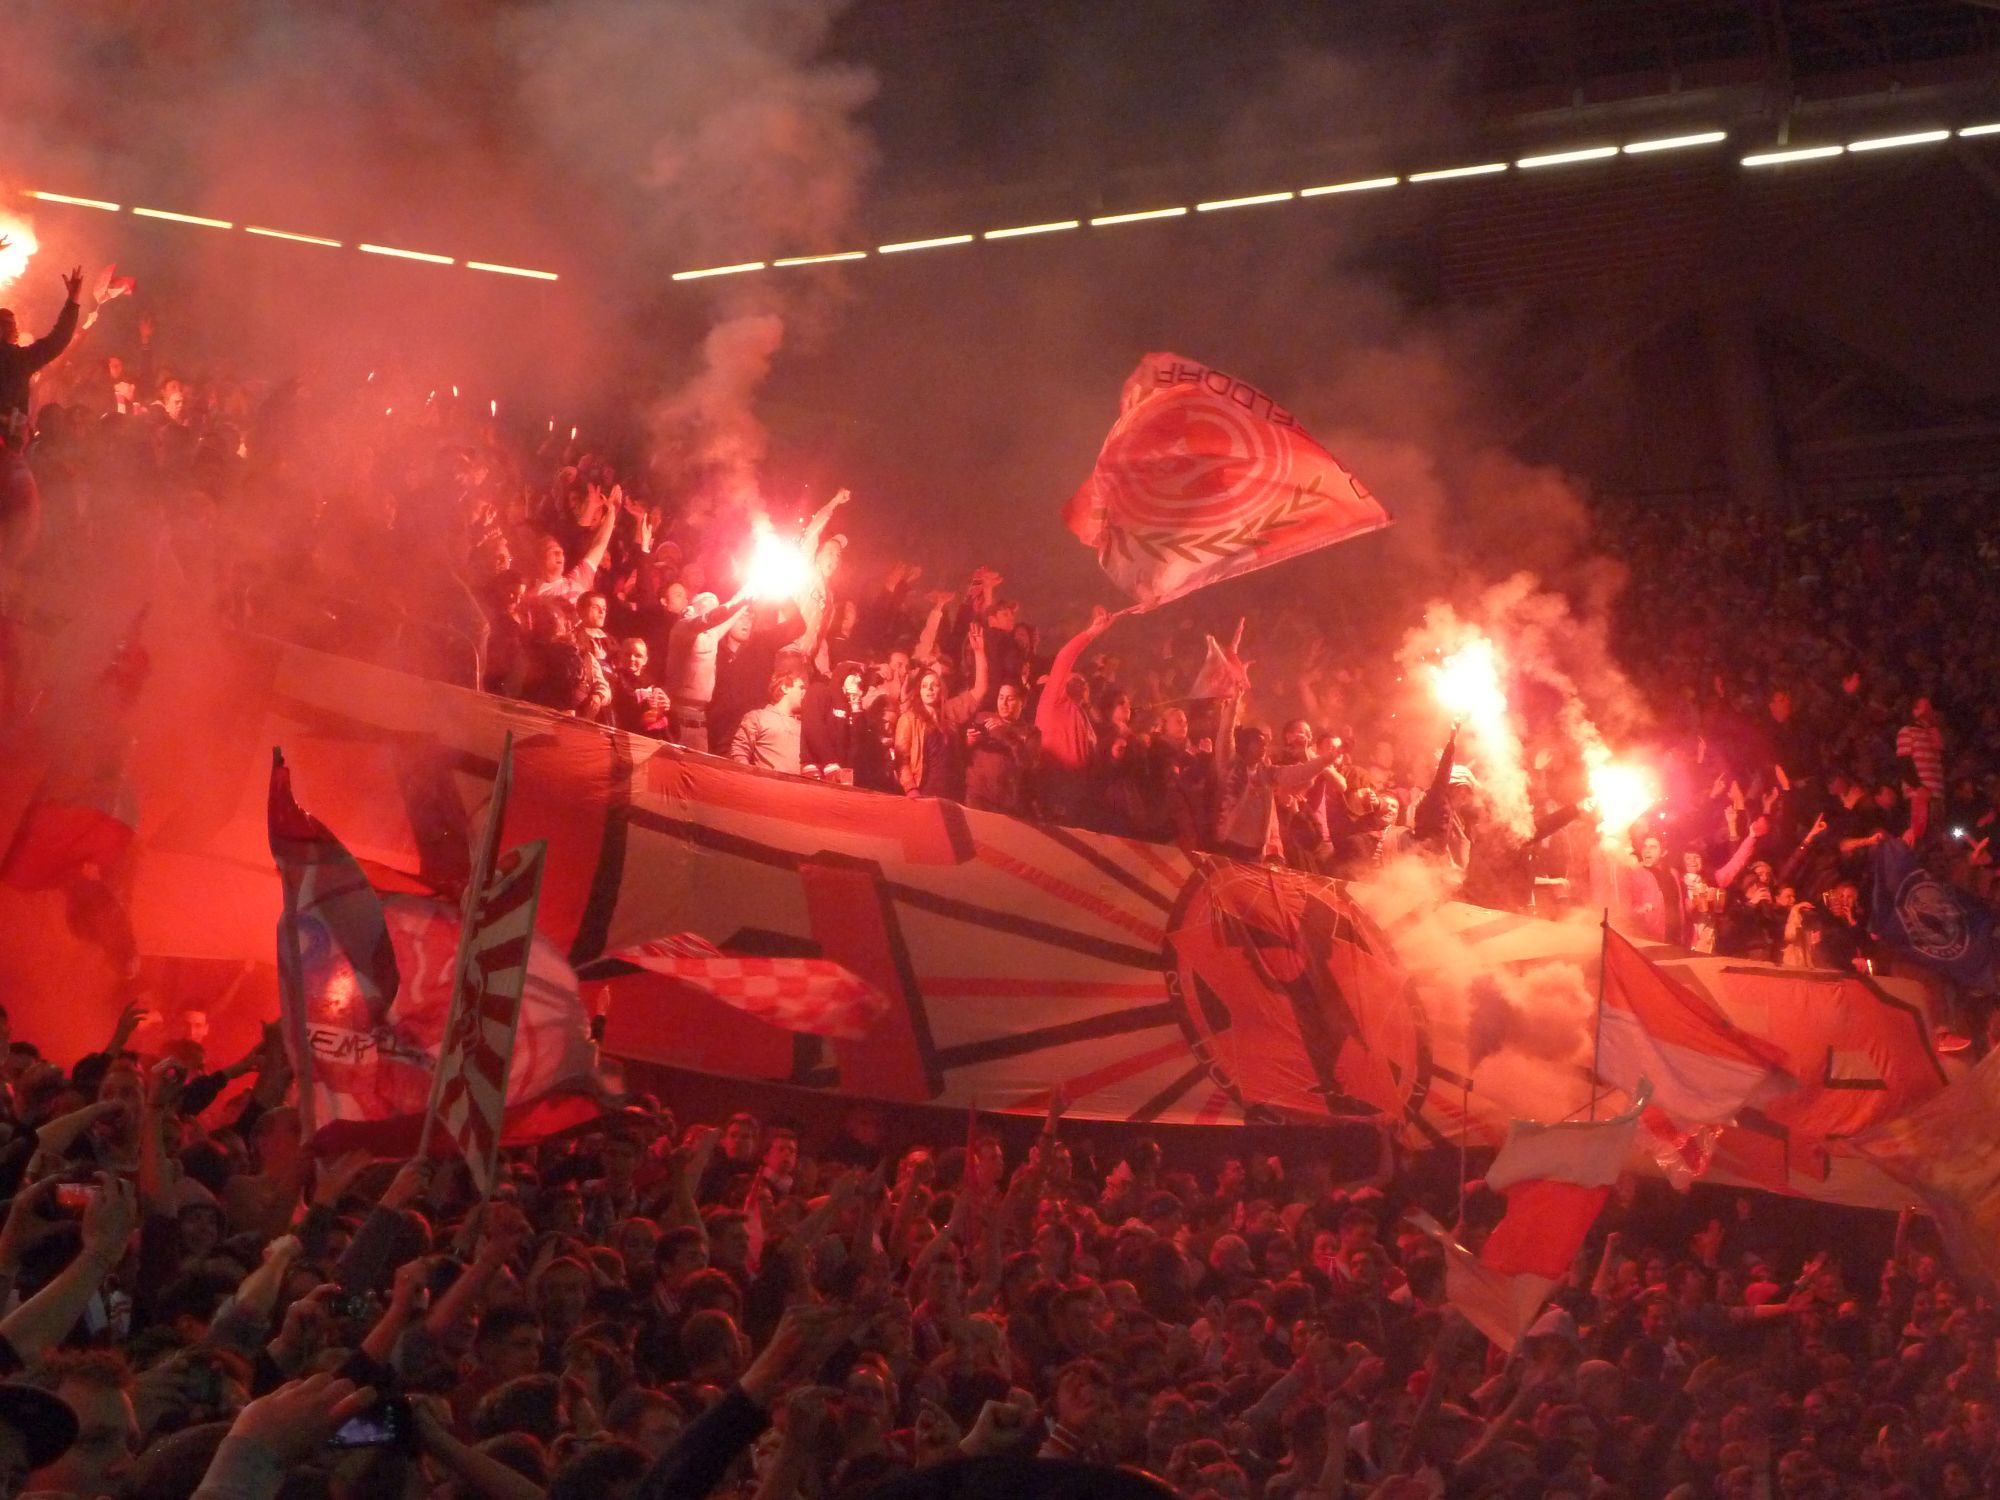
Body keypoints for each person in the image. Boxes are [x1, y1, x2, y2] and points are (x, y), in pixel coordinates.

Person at [896, 625, 988, 800]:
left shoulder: (950, 712)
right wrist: (911, 789)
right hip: (925, 790)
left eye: (934, 684)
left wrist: (979, 652)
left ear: (942, 689)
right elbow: (902, 759)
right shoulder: (909, 719)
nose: (929, 689)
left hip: (954, 790)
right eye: (924, 686)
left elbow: (981, 690)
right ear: (919, 691)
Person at [0, 264, 83, 424]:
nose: (13, 329)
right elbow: (58, 340)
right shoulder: (20, 359)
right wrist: (72, 302)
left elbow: (57, 340)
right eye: (8, 324)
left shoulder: (20, 358)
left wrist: (72, 303)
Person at [964, 681, 1039, 817]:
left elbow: (1028, 763)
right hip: (978, 796)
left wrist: (1007, 734)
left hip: (1006, 802)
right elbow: (963, 754)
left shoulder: (1030, 732)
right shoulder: (983, 718)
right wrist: (969, 742)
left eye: (1010, 699)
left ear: (1023, 702)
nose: (1003, 703)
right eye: (1001, 697)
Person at [727, 669, 808, 775]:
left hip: (801, 789)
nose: (805, 692)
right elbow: (739, 752)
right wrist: (749, 779)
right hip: (767, 787)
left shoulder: (804, 725)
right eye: (801, 687)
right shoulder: (758, 716)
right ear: (785, 688)